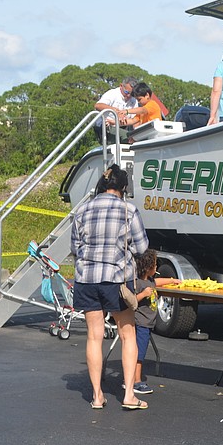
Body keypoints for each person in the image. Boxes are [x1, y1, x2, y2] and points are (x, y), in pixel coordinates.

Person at [71, 164, 150, 411]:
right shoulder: (128, 209)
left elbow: (75, 248)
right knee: (127, 334)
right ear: (123, 188)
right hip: (116, 280)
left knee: (94, 336)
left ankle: (97, 396)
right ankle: (128, 396)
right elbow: (141, 248)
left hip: (86, 279)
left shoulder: (82, 209)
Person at [132, 249, 180, 395]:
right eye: (154, 266)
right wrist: (143, 294)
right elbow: (132, 301)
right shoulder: (139, 283)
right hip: (140, 323)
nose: (156, 269)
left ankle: (133, 379)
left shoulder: (150, 281)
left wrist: (172, 280)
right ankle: (136, 381)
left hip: (147, 324)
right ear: (147, 268)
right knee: (138, 355)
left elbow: (158, 282)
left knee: (141, 352)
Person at [94, 77, 138, 142]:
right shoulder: (112, 94)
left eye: (131, 94)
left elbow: (135, 119)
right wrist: (115, 112)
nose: (128, 96)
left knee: (136, 137)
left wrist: (137, 132)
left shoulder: (134, 100)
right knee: (126, 136)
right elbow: (98, 105)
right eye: (126, 92)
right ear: (121, 86)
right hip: (106, 126)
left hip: (122, 127)